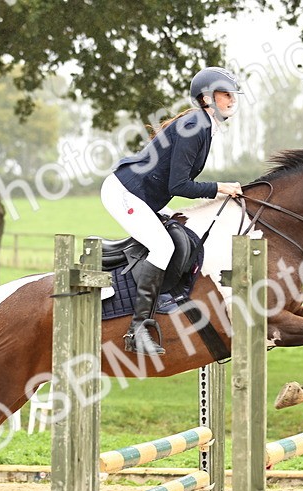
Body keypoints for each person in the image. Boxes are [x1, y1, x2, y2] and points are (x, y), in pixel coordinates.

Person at [101, 66, 244, 355]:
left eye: (232, 95)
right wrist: (220, 188)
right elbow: (179, 184)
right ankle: (138, 329)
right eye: (225, 94)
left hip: (139, 196)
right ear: (206, 99)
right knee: (163, 247)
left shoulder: (203, 126)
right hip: (124, 193)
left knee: (174, 236)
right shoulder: (195, 127)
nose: (232, 100)